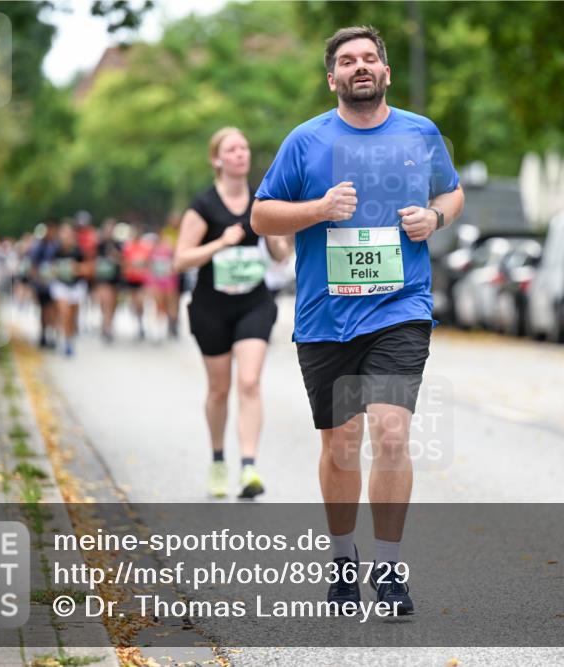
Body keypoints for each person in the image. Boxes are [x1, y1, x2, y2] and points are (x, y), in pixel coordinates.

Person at [251, 25, 464, 615]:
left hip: (400, 309)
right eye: (348, 61)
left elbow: (453, 194)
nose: (360, 66)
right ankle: (344, 562)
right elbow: (261, 216)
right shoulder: (306, 141)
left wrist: (434, 219)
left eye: (370, 58)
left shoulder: (420, 133)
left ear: (386, 72)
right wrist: (318, 210)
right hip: (326, 317)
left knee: (392, 433)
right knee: (342, 446)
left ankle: (390, 569)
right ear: (332, 78)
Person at [174, 127, 291, 500]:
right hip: (211, 307)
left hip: (254, 303)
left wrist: (275, 240)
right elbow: (181, 259)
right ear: (217, 159)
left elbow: (281, 256)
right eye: (232, 148)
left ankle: (249, 467)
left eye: (244, 147)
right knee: (220, 390)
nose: (241, 153)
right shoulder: (203, 206)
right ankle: (218, 459)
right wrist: (219, 243)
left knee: (250, 383)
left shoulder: (262, 201)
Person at [49, 222, 89, 357]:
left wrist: (76, 268)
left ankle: (70, 339)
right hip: (61, 285)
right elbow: (49, 269)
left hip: (76, 286)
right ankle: (65, 340)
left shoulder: (78, 251)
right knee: (64, 312)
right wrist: (57, 270)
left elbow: (88, 269)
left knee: (72, 316)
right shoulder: (55, 251)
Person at [93, 219, 122, 343]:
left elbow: (123, 261)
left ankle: (108, 324)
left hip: (114, 279)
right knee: (105, 302)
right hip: (102, 279)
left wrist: (116, 257)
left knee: (112, 304)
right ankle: (106, 326)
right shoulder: (98, 245)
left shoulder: (118, 245)